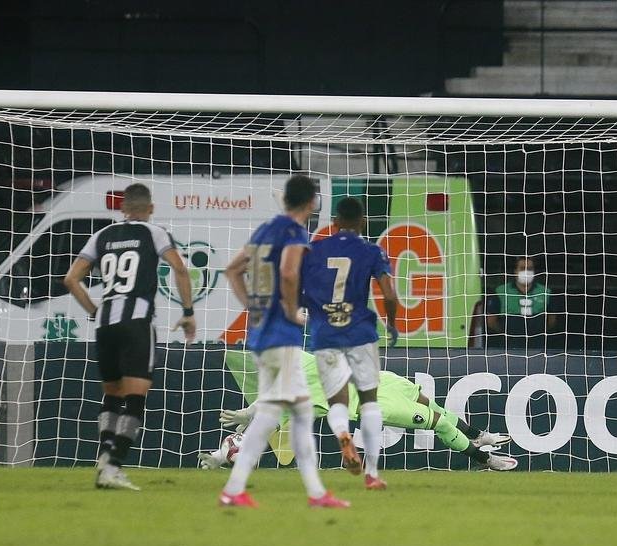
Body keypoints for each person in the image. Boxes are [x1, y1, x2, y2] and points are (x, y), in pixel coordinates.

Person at [217, 175, 348, 509]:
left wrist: (254, 307)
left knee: (297, 412)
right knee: (277, 413)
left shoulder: (266, 230)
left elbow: (232, 270)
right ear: (312, 202)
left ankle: (315, 493)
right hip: (281, 334)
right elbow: (289, 273)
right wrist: (290, 312)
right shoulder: (294, 232)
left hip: (261, 331)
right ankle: (235, 487)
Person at [63, 182, 196, 491]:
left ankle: (104, 457)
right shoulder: (155, 233)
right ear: (150, 208)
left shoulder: (101, 235)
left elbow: (70, 279)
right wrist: (188, 311)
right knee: (135, 398)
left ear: (122, 209)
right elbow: (179, 268)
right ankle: (114, 466)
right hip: (136, 322)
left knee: (112, 395)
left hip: (105, 325)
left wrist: (94, 311)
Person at [199, 349, 517, 471]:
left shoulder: (300, 362)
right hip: (375, 404)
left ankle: (480, 436)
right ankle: (486, 460)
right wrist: (221, 454)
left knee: (432, 405)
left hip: (381, 380)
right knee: (440, 424)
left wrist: (250, 411)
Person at [301, 197, 400, 490]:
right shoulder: (372, 251)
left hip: (325, 333)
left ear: (335, 222)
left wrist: (310, 311)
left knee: (337, 401)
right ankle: (372, 473)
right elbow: (389, 294)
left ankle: (343, 434)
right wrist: (392, 323)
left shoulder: (313, 250)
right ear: (362, 222)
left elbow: (295, 286)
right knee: (369, 401)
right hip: (360, 333)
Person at [485, 257, 559, 348]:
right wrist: (506, 332)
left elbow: (552, 321)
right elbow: (491, 321)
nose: (526, 272)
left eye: (530, 269)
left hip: (537, 346)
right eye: (522, 268)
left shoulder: (545, 292)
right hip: (509, 346)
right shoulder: (501, 291)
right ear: (515, 271)